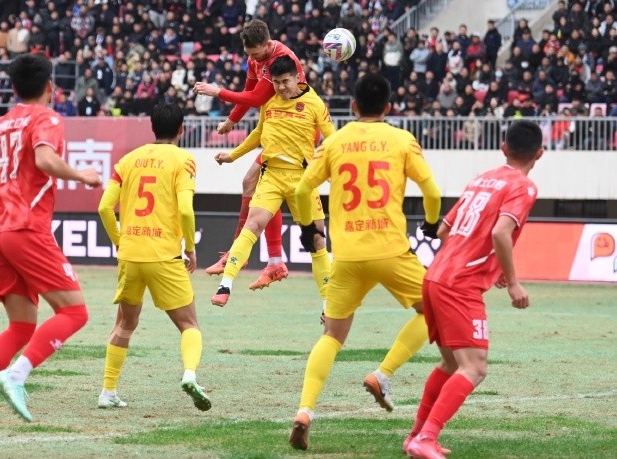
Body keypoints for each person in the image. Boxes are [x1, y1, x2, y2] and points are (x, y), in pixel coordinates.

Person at [288, 73, 442, 451]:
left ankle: (305, 411)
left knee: (331, 336)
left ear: (353, 106)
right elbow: (432, 191)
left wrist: (309, 228)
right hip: (391, 251)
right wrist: (431, 223)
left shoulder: (334, 142)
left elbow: (303, 188)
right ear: (388, 107)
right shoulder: (402, 140)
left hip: (348, 256)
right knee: (433, 312)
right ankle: (382, 374)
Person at [0, 53, 102, 444]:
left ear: (14, 88)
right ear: (50, 87)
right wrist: (82, 175)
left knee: (21, 326)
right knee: (75, 312)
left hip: (0, 234)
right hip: (27, 229)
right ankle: (16, 375)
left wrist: (11, 193)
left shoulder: (1, 124)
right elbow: (45, 159)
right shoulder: (47, 118)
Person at [404, 120, 543, 459]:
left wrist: (487, 265)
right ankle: (426, 439)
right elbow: (500, 232)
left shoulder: (481, 179)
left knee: (452, 364)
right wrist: (512, 282)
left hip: (436, 276)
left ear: (503, 147)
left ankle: (416, 436)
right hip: (459, 284)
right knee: (475, 367)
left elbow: (444, 231)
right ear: (540, 154)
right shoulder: (524, 187)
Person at [95, 103, 211, 412]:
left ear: (152, 128)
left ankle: (108, 391)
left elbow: (104, 207)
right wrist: (190, 247)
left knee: (125, 323)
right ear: (181, 129)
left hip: (131, 254)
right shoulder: (183, 160)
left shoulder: (128, 160)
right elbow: (185, 210)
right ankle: (190, 375)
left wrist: (120, 241)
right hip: (163, 255)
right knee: (189, 324)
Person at [209, 55, 335, 308]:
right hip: (272, 176)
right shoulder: (270, 101)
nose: (280, 87)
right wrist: (233, 156)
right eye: (276, 83)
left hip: (302, 180)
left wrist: (334, 170)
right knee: (253, 225)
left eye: (285, 81)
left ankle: (328, 304)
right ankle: (225, 285)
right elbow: (258, 133)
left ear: (297, 78)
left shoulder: (315, 103)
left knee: (317, 240)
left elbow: (331, 139)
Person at [194, 19, 306, 289]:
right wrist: (232, 120)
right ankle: (268, 260)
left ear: (267, 44)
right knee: (252, 184)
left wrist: (217, 92)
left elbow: (256, 98)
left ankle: (244, 255)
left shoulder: (279, 59)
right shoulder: (256, 59)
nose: (253, 58)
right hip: (278, 127)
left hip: (294, 131)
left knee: (258, 186)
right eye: (249, 54)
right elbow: (249, 93)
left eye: (256, 53)